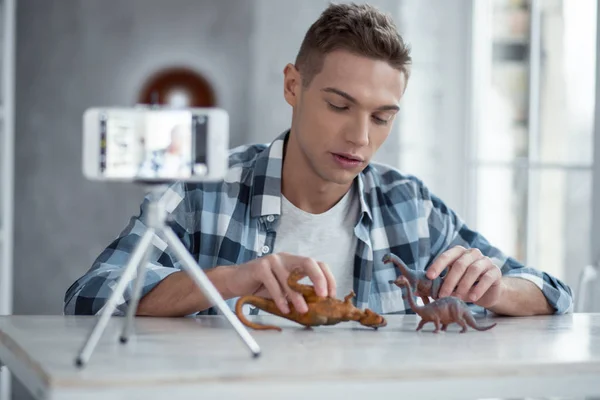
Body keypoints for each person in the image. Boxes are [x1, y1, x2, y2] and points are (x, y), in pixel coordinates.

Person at [64, 3, 572, 318]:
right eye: (339, 105)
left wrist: (496, 288)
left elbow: (552, 293)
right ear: (293, 85)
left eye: (382, 117)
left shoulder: (409, 205)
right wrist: (235, 280)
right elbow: (90, 296)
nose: (359, 137)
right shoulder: (205, 192)